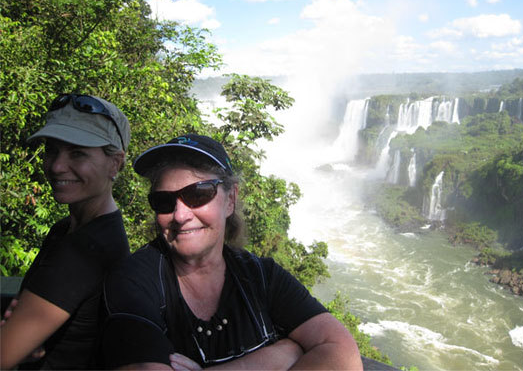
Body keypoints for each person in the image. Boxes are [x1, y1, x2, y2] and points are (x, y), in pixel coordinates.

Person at [101, 134, 363, 370]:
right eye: (164, 201)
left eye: (198, 194)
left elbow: (343, 355)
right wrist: (280, 357)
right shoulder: (134, 283)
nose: (180, 215)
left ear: (230, 199)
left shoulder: (261, 277)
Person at [0, 94, 131, 369]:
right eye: (52, 149)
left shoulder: (88, 249)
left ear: (115, 163)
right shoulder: (68, 229)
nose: (57, 166)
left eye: (78, 153)